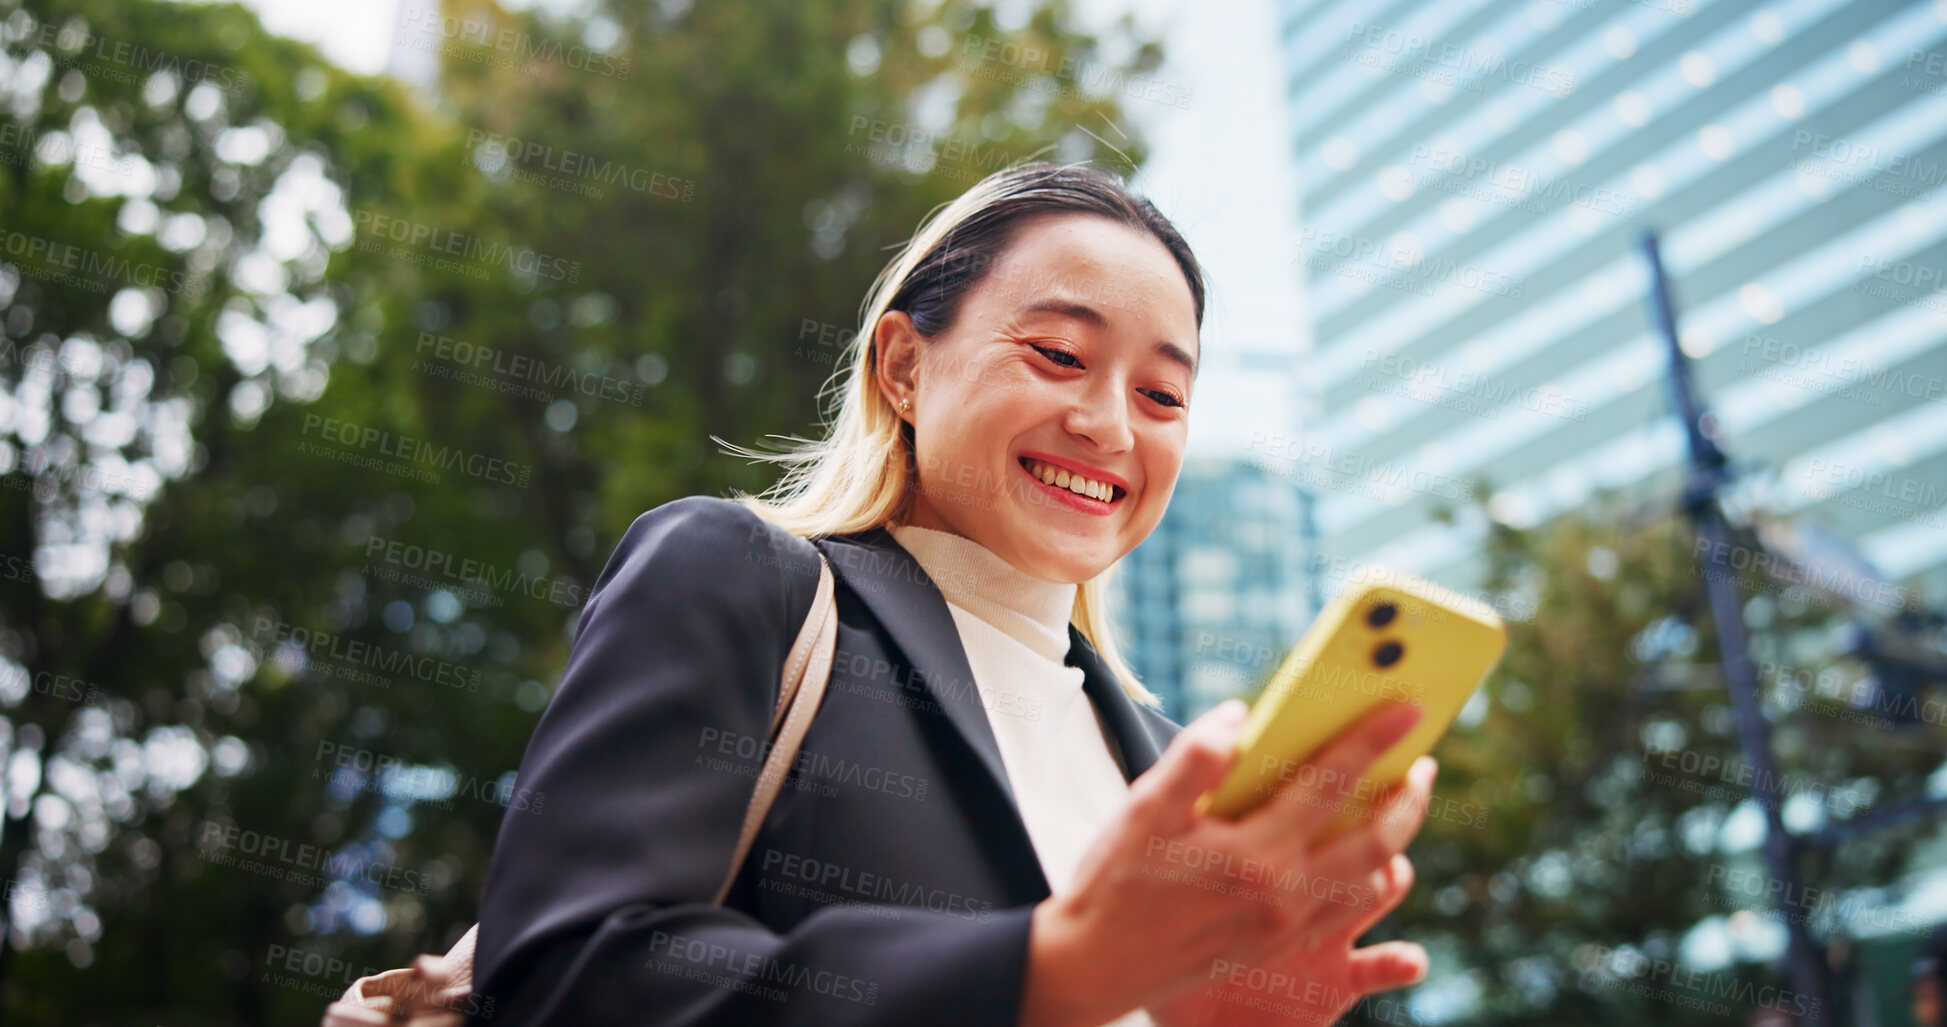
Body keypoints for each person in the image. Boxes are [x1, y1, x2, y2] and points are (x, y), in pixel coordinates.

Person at [465, 161, 1439, 1026]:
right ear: (902, 365)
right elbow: (565, 975)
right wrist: (1052, 971)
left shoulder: (1176, 770)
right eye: (1059, 354)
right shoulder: (740, 579)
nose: (1109, 425)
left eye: (1162, 396)